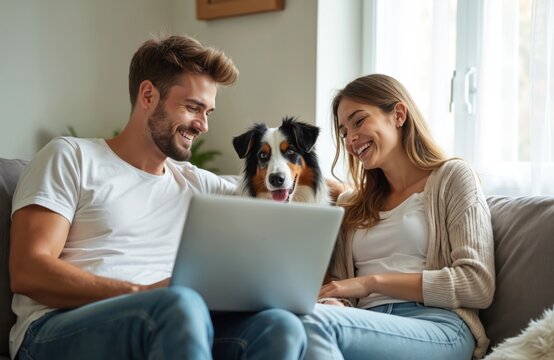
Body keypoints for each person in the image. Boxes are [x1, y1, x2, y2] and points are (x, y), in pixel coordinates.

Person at [9, 35, 306, 360]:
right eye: (193, 107)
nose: (203, 125)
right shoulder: (72, 157)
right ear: (148, 95)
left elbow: (279, 190)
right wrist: (143, 294)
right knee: (180, 305)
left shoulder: (198, 184)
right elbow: (29, 270)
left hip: (175, 321)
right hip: (56, 328)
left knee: (279, 326)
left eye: (208, 112)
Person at [300, 74, 495, 360]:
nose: (351, 139)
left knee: (315, 325)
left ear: (399, 115)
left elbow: (477, 283)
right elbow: (341, 287)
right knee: (284, 324)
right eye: (343, 132)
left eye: (359, 121)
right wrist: (336, 303)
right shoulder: (351, 203)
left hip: (437, 325)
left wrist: (371, 283)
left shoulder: (452, 177)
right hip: (365, 324)